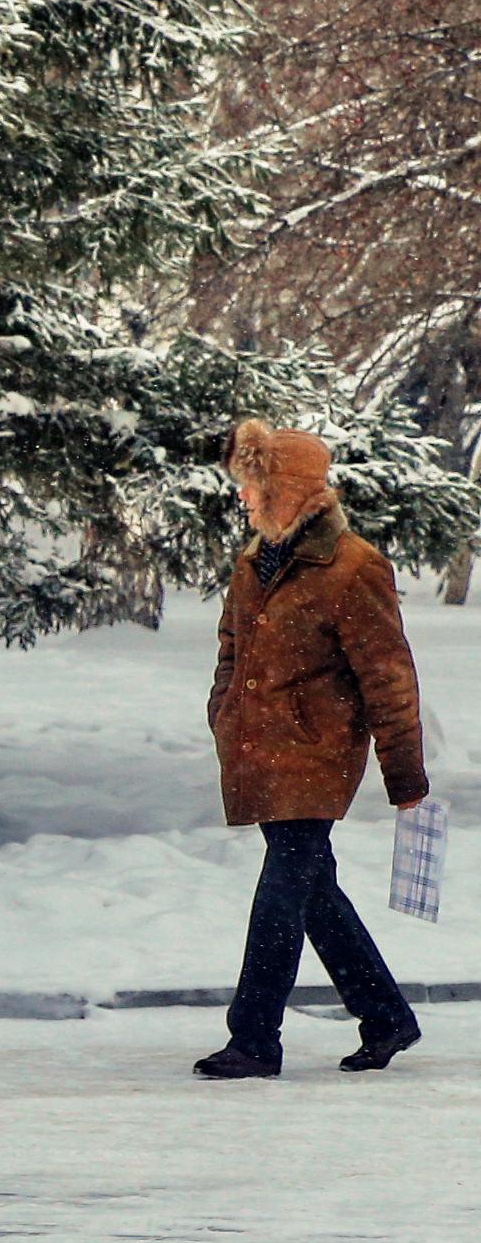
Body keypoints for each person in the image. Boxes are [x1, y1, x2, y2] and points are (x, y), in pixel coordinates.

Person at [200, 418, 428, 1079]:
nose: (243, 497)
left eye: (254, 486)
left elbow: (388, 674)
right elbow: (231, 650)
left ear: (288, 490)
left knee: (282, 885)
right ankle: (385, 1014)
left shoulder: (354, 567)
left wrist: (404, 773)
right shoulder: (253, 564)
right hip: (258, 750)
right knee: (312, 887)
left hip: (317, 752)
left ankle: (254, 1036)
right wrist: (222, 712)